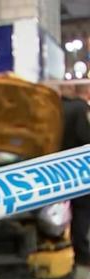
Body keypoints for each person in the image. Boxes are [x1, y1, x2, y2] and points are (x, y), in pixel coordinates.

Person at [61, 84, 90, 266]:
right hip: (78, 169)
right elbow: (84, 136)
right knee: (82, 210)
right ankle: (81, 252)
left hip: (57, 167)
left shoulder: (58, 107)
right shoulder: (81, 109)